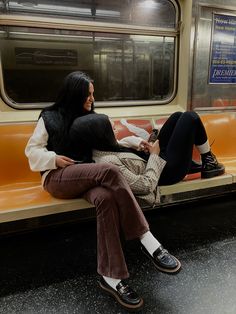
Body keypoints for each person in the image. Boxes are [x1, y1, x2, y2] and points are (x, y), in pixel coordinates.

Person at [25, 71, 181, 312]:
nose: (91, 99)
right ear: (74, 94)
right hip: (58, 176)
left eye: (92, 94)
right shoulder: (50, 117)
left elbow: (110, 142)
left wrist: (133, 142)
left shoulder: (89, 117)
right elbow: (32, 151)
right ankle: (147, 240)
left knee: (106, 198)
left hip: (88, 174)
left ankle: (112, 278)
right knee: (108, 171)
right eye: (88, 95)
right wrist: (53, 159)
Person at [69, 111, 225, 207]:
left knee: (178, 116)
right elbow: (145, 186)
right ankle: (209, 161)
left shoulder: (98, 147)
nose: (115, 128)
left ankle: (191, 162)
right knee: (191, 117)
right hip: (166, 172)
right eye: (112, 128)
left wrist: (140, 145)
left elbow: (118, 146)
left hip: (154, 159)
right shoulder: (108, 164)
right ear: (102, 135)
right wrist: (155, 155)